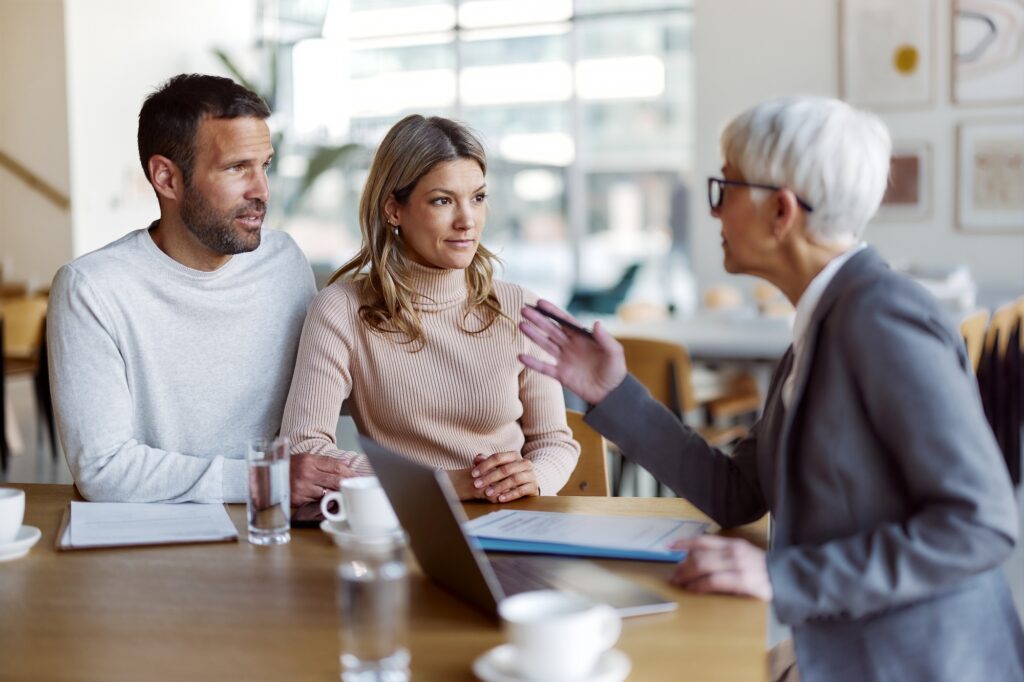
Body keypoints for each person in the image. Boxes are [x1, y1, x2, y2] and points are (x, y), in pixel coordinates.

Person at [519, 96, 1024, 681]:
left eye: (725, 188)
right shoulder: (820, 323)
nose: (714, 213)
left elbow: (979, 525)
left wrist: (784, 576)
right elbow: (738, 494)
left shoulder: (881, 318)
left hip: (921, 663)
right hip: (844, 649)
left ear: (780, 211)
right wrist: (612, 391)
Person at [47, 73, 333, 503]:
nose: (261, 191)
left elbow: (320, 395)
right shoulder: (92, 289)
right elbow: (103, 469)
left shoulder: (284, 261)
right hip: (157, 538)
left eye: (264, 165)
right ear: (166, 179)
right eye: (237, 168)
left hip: (277, 527)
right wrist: (265, 481)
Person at [281, 114, 579, 506]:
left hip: (509, 521)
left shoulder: (519, 308)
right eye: (443, 200)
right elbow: (304, 450)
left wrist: (534, 475)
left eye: (478, 197)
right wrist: (445, 483)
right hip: (404, 525)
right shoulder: (341, 310)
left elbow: (553, 441)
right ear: (393, 210)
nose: (467, 221)